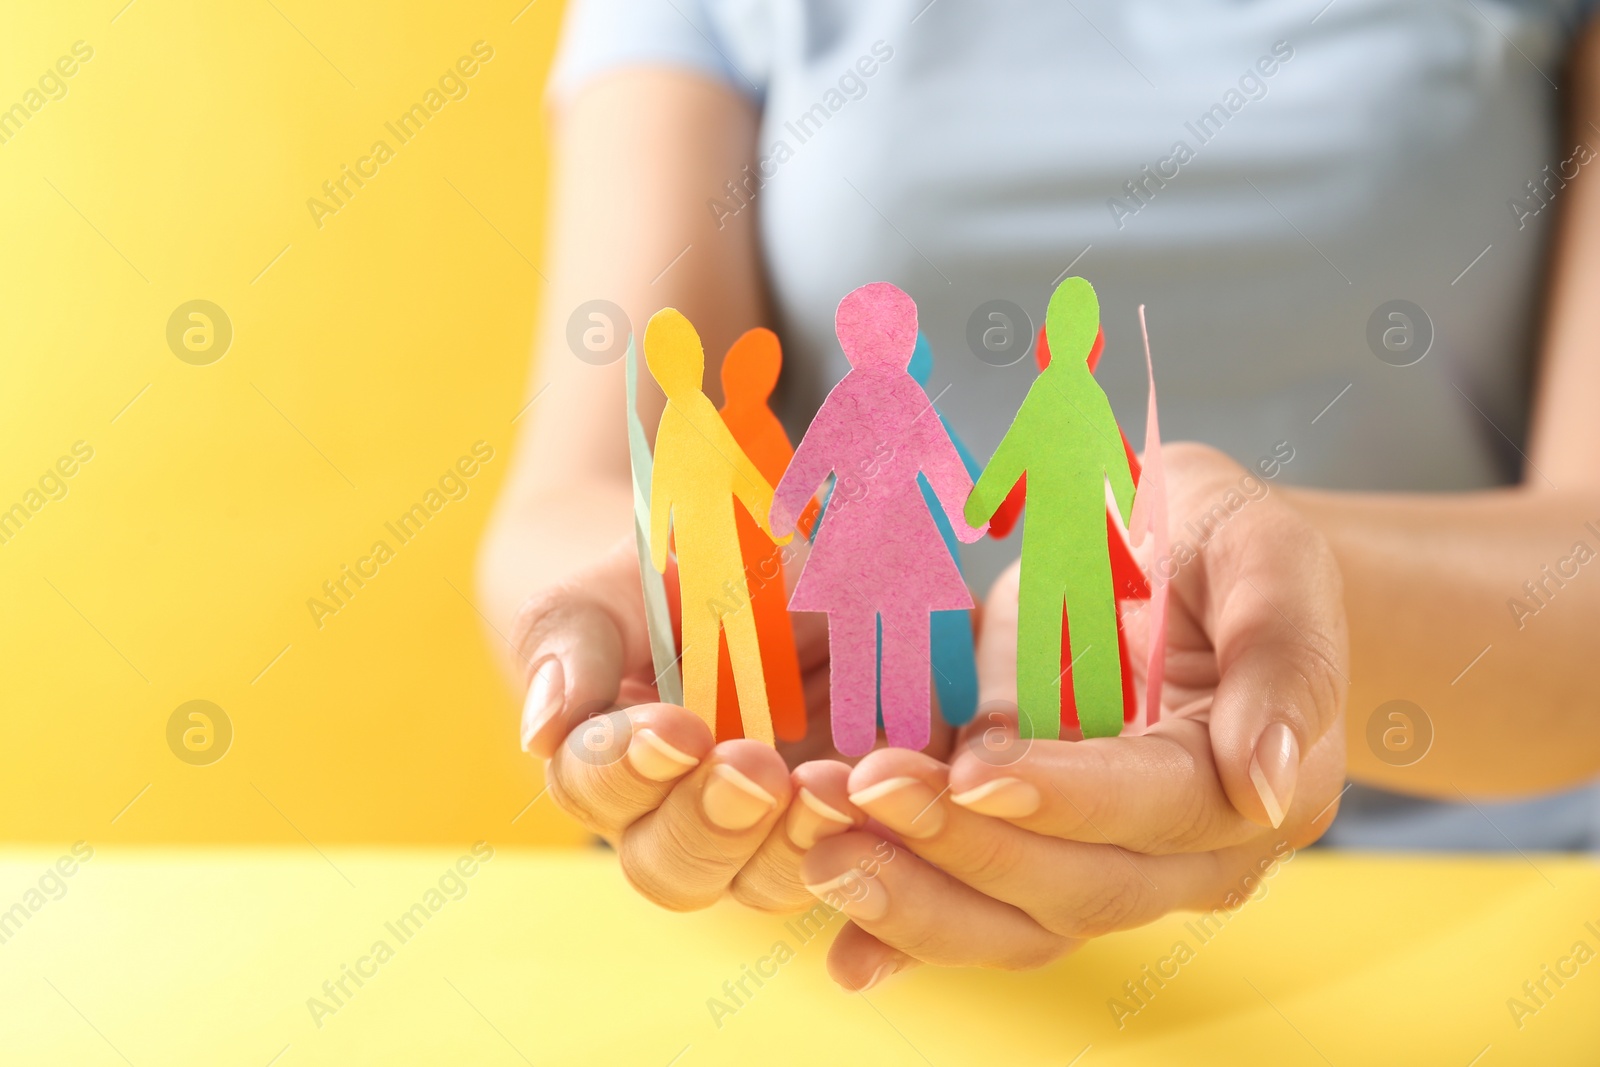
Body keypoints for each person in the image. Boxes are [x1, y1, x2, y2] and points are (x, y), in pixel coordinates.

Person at [480, 0, 1600, 989]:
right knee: (950, 641)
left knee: (1061, 623)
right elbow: (572, 500)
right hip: (844, 900)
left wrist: (1250, 590)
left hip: (1483, 915)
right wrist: (644, 637)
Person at [771, 282, 985, 755]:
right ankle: (893, 730)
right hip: (901, 536)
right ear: (905, 341)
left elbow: (812, 458)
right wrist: (966, 517)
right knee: (896, 632)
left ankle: (865, 729)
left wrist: (786, 509)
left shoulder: (849, 398)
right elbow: (941, 461)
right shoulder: (902, 396)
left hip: (856, 537)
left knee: (858, 636)